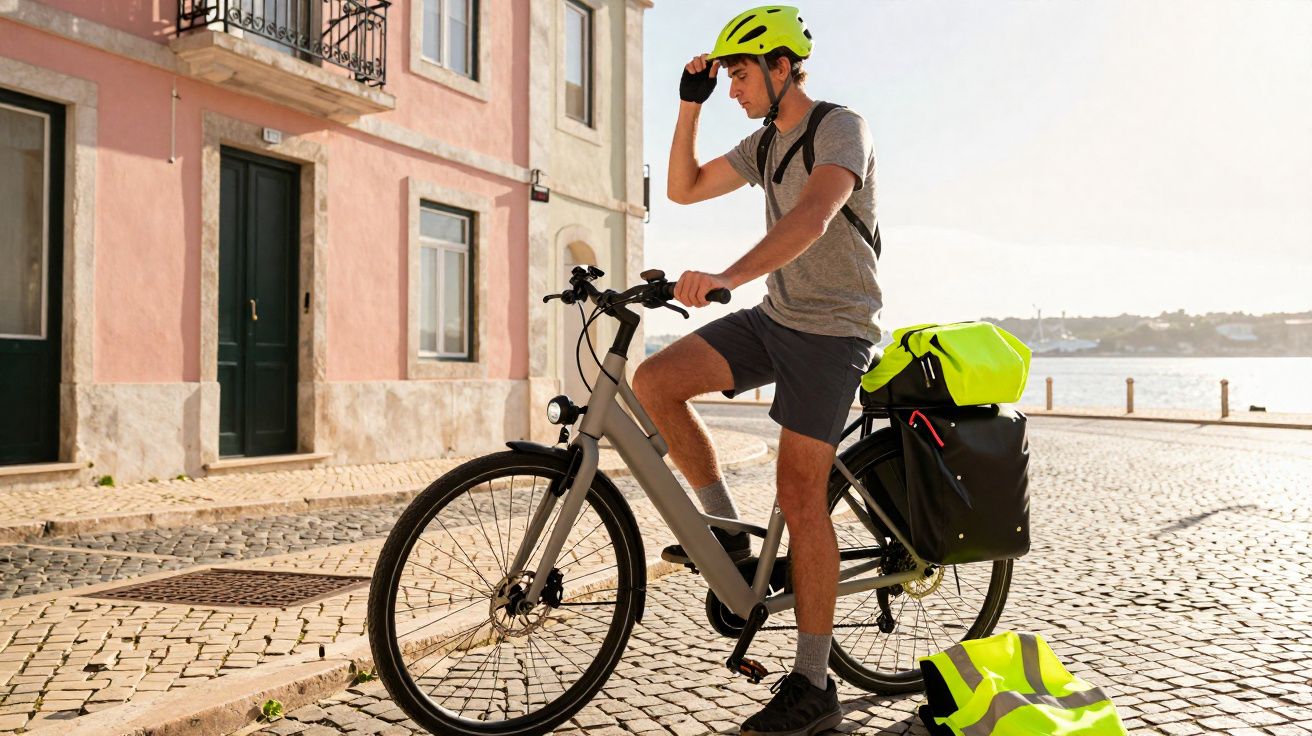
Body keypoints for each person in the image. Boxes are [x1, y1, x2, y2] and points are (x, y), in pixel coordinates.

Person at [631, 5, 882, 735]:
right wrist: (690, 103)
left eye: (739, 73)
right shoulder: (763, 142)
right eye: (729, 76)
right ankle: (731, 541)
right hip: (776, 318)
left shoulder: (841, 127)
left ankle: (813, 683)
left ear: (781, 67)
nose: (734, 86)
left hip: (834, 331)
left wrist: (728, 276)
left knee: (799, 496)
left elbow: (814, 215)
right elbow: (682, 187)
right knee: (655, 381)